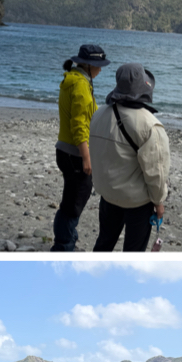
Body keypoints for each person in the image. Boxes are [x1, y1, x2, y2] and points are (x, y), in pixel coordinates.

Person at [90, 62, 170, 253]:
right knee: (134, 253)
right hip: (137, 202)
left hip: (108, 195)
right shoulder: (150, 125)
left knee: (104, 244)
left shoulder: (99, 113)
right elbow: (156, 173)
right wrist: (159, 202)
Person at [53, 42, 109, 252]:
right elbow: (78, 124)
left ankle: (68, 241)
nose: (101, 69)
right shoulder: (80, 85)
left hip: (66, 151)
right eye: (99, 64)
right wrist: (86, 157)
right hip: (75, 154)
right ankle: (63, 247)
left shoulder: (76, 80)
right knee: (73, 204)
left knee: (72, 200)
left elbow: (87, 116)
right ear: (87, 65)